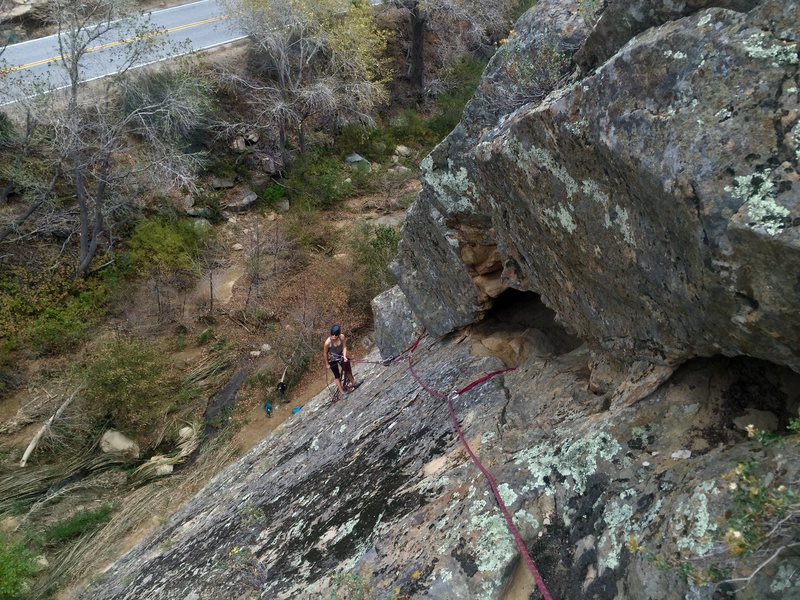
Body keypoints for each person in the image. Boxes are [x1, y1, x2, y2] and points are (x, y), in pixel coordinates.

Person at [323, 324, 357, 395]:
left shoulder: (342, 337)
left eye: (335, 335)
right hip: (332, 359)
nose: (333, 337)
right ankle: (342, 391)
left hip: (340, 355)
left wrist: (344, 356)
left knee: (346, 369)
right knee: (337, 375)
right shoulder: (327, 343)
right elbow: (325, 353)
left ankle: (354, 383)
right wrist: (327, 364)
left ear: (338, 335)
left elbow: (344, 347)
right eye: (332, 335)